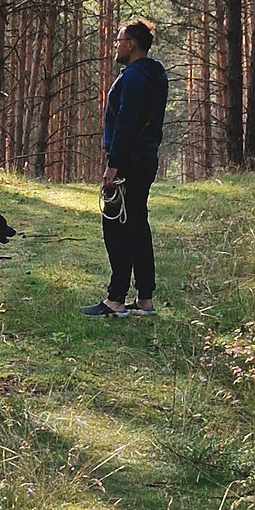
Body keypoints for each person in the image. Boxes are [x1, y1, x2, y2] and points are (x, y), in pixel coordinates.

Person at [82, 18, 168, 318]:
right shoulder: (155, 75)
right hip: (145, 159)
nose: (116, 46)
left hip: (130, 161)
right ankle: (145, 298)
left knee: (116, 226)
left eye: (119, 40)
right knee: (137, 225)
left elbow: (127, 124)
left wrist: (113, 166)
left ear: (131, 44)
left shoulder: (133, 78)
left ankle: (116, 299)